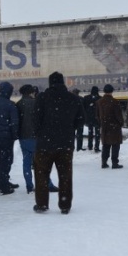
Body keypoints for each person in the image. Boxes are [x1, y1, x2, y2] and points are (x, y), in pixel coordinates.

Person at [32, 72, 85, 214]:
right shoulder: (74, 99)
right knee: (65, 175)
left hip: (44, 144)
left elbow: (35, 120)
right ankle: (65, 205)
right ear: (63, 82)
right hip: (65, 144)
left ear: (50, 83)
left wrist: (41, 133)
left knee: (41, 174)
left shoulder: (42, 98)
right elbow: (80, 121)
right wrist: (68, 128)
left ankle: (42, 204)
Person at [16, 84, 58, 194]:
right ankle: (48, 184)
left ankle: (29, 186)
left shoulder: (19, 104)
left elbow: (17, 122)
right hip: (36, 137)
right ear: (31, 92)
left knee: (26, 162)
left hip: (23, 137)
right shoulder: (36, 103)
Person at [96, 84, 124, 169]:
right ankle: (114, 163)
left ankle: (104, 162)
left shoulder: (99, 102)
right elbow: (118, 115)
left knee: (105, 145)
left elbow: (97, 115)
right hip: (114, 126)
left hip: (104, 126)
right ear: (112, 91)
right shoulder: (115, 102)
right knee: (115, 145)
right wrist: (121, 123)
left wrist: (101, 123)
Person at [83, 86, 102, 152]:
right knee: (97, 133)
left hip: (89, 118)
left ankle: (90, 146)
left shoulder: (86, 98)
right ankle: (96, 147)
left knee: (90, 132)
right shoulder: (100, 98)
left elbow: (84, 108)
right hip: (97, 118)